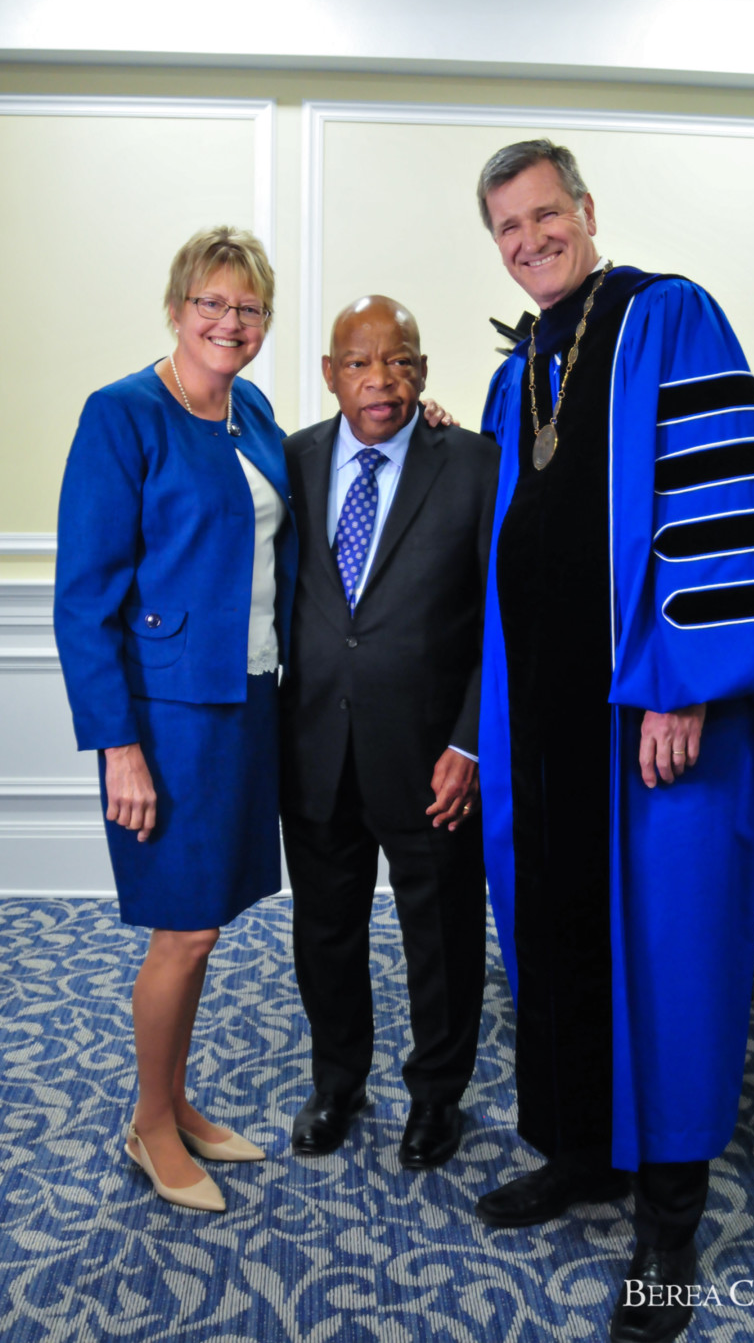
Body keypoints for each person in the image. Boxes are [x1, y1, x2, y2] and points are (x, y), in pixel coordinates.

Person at [468, 142, 754, 1343]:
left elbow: (711, 498)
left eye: (542, 215)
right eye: (506, 229)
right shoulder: (522, 373)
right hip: (545, 718)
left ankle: (669, 1219)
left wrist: (682, 686)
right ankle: (580, 1149)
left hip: (646, 716)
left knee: (667, 956)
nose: (528, 241)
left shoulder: (667, 315)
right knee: (557, 932)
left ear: (585, 211)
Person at [52, 225, 298, 1214]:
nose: (228, 323)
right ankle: (149, 1126)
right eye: (211, 303)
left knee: (208, 924)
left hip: (249, 698)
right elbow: (83, 597)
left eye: (247, 309)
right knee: (182, 933)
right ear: (175, 305)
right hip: (165, 718)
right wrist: (119, 748)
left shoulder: (255, 410)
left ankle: (175, 1099)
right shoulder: (121, 415)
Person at [279, 296, 498, 1170]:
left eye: (401, 360)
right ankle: (339, 1080)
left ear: (424, 372)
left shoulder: (475, 465)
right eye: (361, 362)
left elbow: (502, 619)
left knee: (441, 933)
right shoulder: (290, 459)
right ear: (331, 374)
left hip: (432, 754)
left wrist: (471, 740)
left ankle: (437, 1096)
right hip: (315, 747)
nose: (382, 378)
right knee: (324, 928)